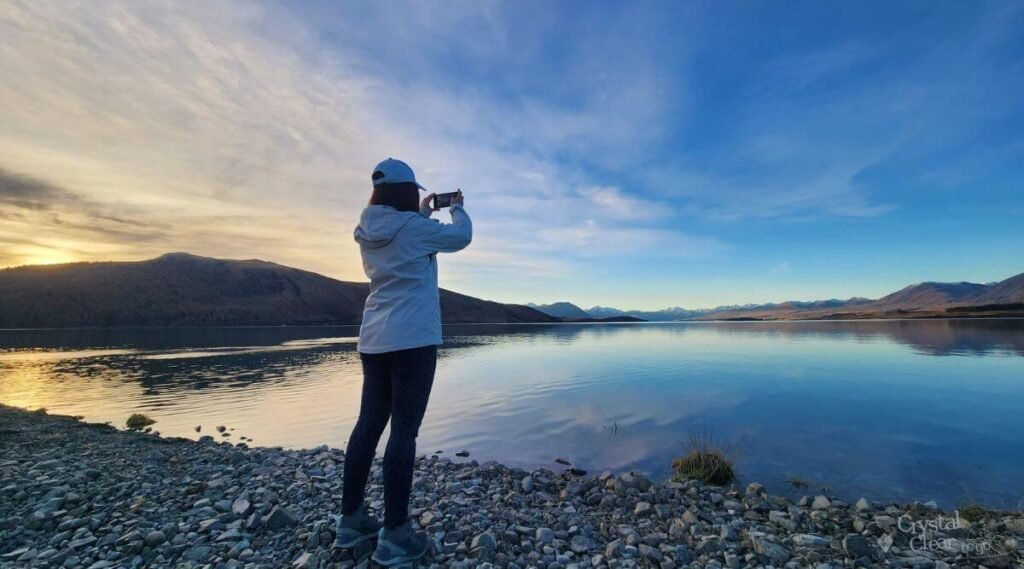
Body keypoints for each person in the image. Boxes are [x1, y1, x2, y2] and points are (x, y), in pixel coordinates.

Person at [334, 158, 472, 566]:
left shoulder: (367, 230)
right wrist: (457, 206)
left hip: (374, 339)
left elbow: (401, 233)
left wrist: (424, 211)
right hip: (413, 339)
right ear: (406, 192)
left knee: (368, 425)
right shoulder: (413, 229)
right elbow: (461, 236)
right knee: (404, 432)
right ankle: (394, 535)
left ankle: (351, 520)